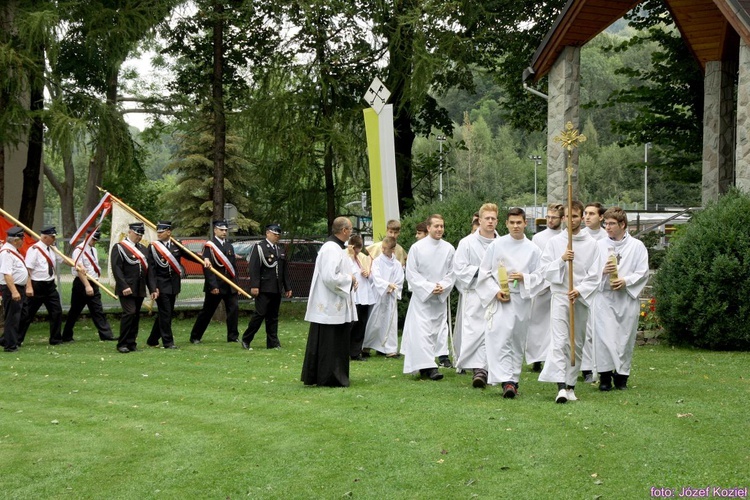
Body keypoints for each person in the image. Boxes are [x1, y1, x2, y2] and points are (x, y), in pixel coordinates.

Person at [538, 201, 602, 403]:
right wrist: (561, 259)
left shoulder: (592, 244)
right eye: (567, 216)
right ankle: (561, 387)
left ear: (581, 217)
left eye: (575, 216)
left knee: (577, 342)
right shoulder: (555, 243)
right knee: (559, 341)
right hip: (560, 296)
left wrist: (580, 290)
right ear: (563, 218)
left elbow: (595, 274)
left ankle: (571, 384)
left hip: (579, 298)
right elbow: (543, 271)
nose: (570, 220)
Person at [477, 208, 542, 398]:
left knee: (516, 339)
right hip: (501, 298)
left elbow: (540, 276)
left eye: (519, 222)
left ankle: (513, 379)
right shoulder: (496, 245)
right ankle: (507, 381)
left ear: (525, 223)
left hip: (520, 299)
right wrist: (495, 291)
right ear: (506, 224)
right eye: (512, 222)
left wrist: (525, 277)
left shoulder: (533, 249)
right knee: (499, 338)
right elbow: (484, 273)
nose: (515, 226)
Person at [594, 207, 649, 391]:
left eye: (611, 224)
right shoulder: (599, 246)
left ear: (622, 224)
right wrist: (602, 272)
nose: (607, 227)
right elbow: (589, 272)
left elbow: (642, 272)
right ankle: (604, 377)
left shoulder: (637, 246)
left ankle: (621, 377)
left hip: (626, 299)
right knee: (604, 338)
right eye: (606, 223)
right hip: (605, 298)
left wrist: (626, 281)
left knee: (624, 338)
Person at [301, 217, 358, 387]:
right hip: (329, 304)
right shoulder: (331, 249)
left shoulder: (336, 248)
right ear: (344, 230)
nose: (351, 232)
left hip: (335, 302)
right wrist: (350, 279)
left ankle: (331, 375)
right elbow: (330, 277)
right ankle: (328, 376)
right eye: (351, 229)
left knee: (334, 341)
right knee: (329, 342)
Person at [401, 214, 455, 380]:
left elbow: (453, 273)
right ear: (429, 228)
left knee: (435, 332)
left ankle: (427, 365)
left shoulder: (449, 249)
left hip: (439, 299)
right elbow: (411, 273)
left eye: (442, 226)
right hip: (422, 299)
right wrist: (430, 287)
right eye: (436, 226)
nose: (439, 229)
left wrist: (443, 286)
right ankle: (429, 367)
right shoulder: (417, 248)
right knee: (422, 332)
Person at [454, 203, 498, 387]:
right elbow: (460, 268)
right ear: (479, 220)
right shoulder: (467, 243)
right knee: (475, 332)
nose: (490, 221)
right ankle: (479, 369)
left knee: (493, 332)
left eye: (493, 218)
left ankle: (487, 369)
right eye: (486, 218)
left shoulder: (502, 243)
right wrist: (483, 272)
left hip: (496, 295)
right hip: (475, 295)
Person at [19, 226, 86, 345]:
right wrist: (29, 287)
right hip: (37, 285)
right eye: (52, 237)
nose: (54, 239)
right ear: (45, 237)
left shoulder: (53, 249)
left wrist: (77, 265)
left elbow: (65, 260)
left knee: (56, 311)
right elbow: (27, 269)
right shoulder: (34, 249)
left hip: (50, 285)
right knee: (27, 314)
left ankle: (55, 339)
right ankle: (16, 339)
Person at [241, 223, 292, 350]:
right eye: (275, 234)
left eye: (278, 235)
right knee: (260, 314)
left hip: (276, 287)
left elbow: (284, 270)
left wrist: (287, 287)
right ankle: (246, 339)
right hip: (264, 287)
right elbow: (254, 268)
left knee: (273, 317)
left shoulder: (279, 249)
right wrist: (254, 285)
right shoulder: (260, 247)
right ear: (268, 233)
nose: (277, 237)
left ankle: (273, 342)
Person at [525, 203, 563, 372]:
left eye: (554, 217)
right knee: (538, 323)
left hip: (558, 283)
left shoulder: (565, 237)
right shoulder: (538, 238)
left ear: (562, 219)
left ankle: (551, 356)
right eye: (548, 217)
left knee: (554, 324)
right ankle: (536, 358)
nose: (550, 220)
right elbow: (536, 262)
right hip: (541, 285)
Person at [190, 219, 240, 344]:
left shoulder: (229, 246)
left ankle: (233, 337)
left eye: (225, 230)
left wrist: (237, 285)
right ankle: (195, 336)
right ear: (215, 230)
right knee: (207, 312)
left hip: (229, 284)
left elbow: (233, 267)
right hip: (216, 285)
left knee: (233, 310)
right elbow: (207, 268)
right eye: (221, 230)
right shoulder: (209, 246)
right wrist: (213, 285)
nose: (224, 232)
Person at [62, 230, 115, 342]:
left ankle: (106, 335)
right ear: (87, 236)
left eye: (96, 239)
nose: (94, 241)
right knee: (75, 310)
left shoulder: (93, 250)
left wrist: (93, 283)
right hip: (82, 283)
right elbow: (79, 269)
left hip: (93, 282)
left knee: (97, 310)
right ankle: (66, 335)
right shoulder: (78, 250)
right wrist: (87, 286)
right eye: (93, 239)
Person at [111, 222, 151, 353]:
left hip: (139, 287)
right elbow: (117, 269)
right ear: (130, 232)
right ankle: (122, 343)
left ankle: (131, 343)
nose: (138, 237)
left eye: (140, 235)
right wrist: (123, 285)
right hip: (126, 287)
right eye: (136, 234)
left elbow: (148, 271)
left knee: (136, 315)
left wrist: (152, 288)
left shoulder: (143, 249)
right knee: (130, 312)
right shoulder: (120, 247)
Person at [362, 236, 404, 358]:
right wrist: (386, 285)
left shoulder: (396, 264)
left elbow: (400, 279)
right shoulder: (377, 261)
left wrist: (394, 287)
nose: (383, 250)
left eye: (386, 248)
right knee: (375, 321)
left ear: (392, 249)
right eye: (383, 247)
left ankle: (390, 349)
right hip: (379, 294)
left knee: (390, 322)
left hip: (391, 296)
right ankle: (367, 346)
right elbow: (376, 277)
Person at [146, 221, 182, 349]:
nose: (159, 234)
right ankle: (168, 342)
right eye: (158, 232)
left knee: (166, 313)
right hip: (161, 286)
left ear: (169, 232)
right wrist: (153, 287)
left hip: (173, 285)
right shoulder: (153, 247)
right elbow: (151, 270)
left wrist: (204, 259)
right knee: (166, 313)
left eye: (161, 232)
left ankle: (152, 339)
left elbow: (189, 256)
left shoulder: (176, 245)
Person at [581, 202, 607, 383]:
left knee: (601, 330)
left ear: (601, 217)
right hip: (584, 287)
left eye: (591, 214)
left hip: (604, 290)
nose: (587, 217)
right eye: (585, 213)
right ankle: (586, 368)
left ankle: (602, 367)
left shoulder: (607, 237)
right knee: (585, 329)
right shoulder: (579, 236)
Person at [346, 234, 376, 361]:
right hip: (353, 295)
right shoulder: (345, 258)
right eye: (356, 249)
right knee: (351, 324)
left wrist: (367, 273)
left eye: (360, 249)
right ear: (351, 246)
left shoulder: (362, 258)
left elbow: (370, 273)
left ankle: (355, 351)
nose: (358, 252)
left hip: (364, 295)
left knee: (361, 324)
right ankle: (345, 350)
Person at [0, 226, 29, 352]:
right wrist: (14, 291)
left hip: (19, 287)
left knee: (24, 314)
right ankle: (10, 345)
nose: (23, 241)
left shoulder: (14, 251)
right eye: (22, 239)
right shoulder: (6, 253)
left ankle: (5, 339)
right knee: (13, 317)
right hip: (12, 288)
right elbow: (7, 274)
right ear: (16, 240)